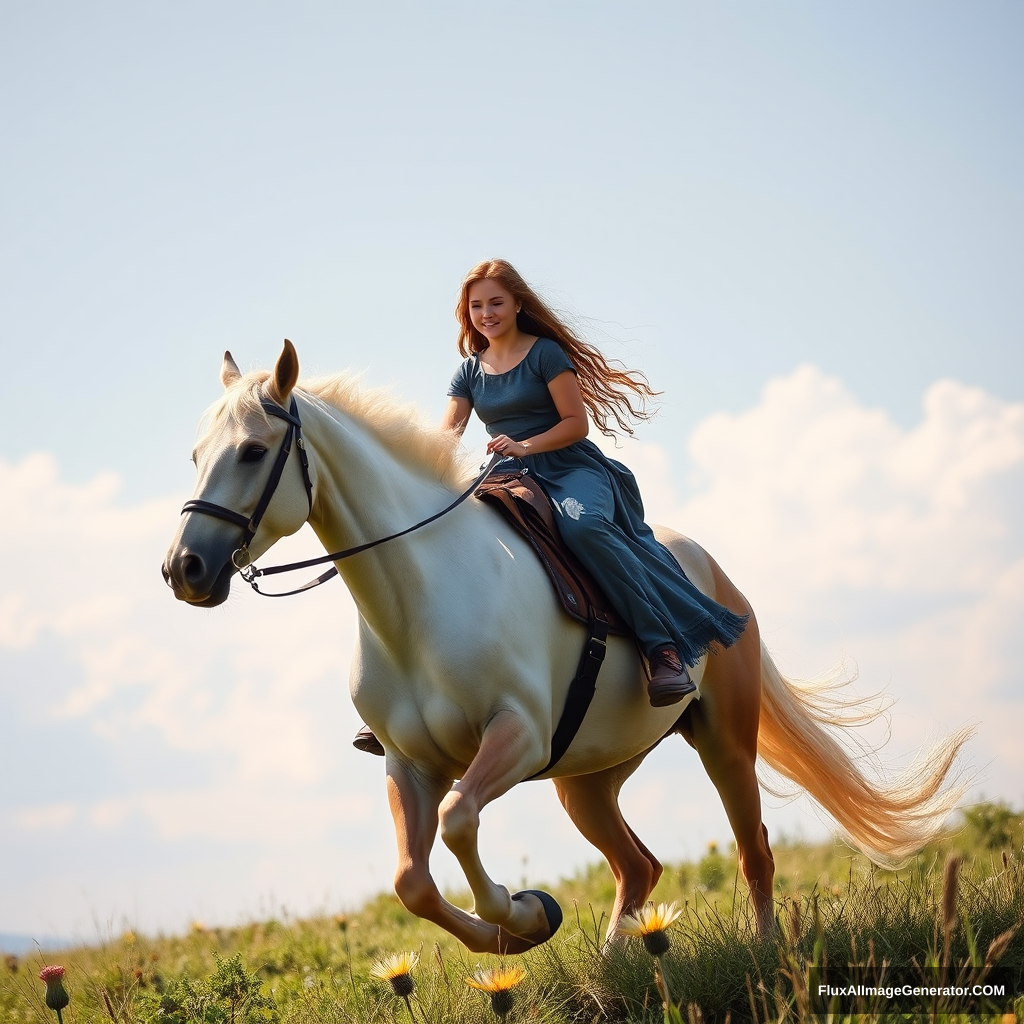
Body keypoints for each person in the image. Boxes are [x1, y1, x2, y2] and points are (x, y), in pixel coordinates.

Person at [352, 259, 747, 755]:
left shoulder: (545, 355)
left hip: (570, 469)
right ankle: (405, 693)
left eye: (496, 302)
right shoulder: (469, 371)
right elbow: (445, 437)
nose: (487, 313)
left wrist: (525, 445)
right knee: (449, 540)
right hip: (506, 476)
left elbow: (575, 424)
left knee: (583, 531)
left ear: (517, 303)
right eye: (477, 306)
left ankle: (660, 648)